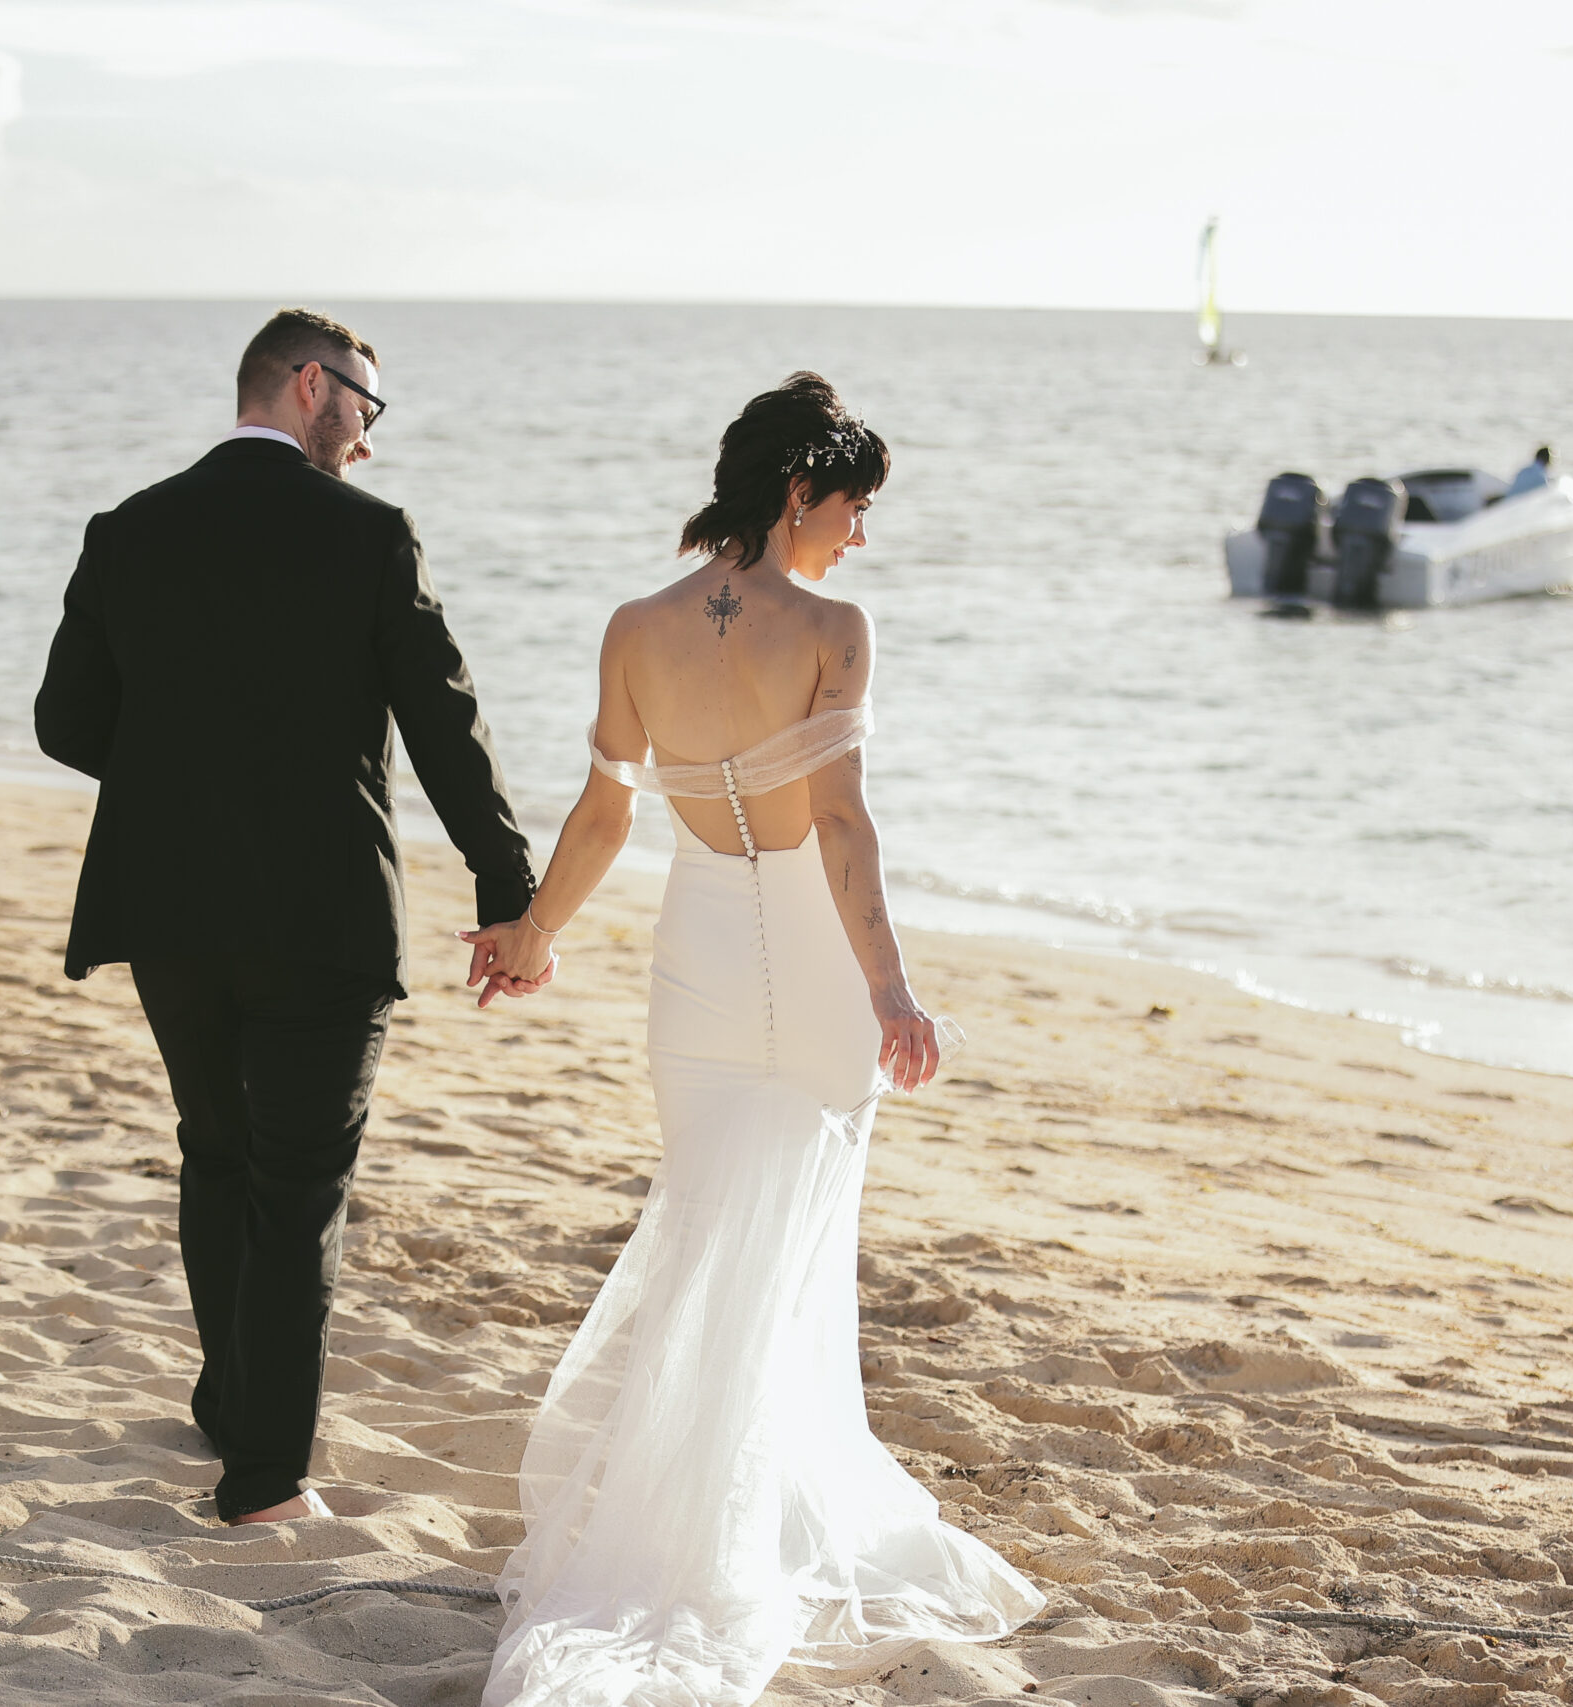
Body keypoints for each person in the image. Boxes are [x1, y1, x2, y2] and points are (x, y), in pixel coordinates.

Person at [462, 374, 1043, 1707]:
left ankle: (692, 1528)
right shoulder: (833, 624)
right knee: (781, 1259)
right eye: (855, 504)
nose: (861, 532)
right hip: (812, 959)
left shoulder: (635, 625)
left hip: (698, 950)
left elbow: (604, 813)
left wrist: (536, 935)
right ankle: (738, 1539)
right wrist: (895, 993)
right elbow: (840, 825)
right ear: (800, 493)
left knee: (721, 1237)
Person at [33, 306, 550, 1528]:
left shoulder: (130, 529)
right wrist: (506, 887)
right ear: (312, 387)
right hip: (320, 911)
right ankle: (264, 1478)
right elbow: (442, 724)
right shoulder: (370, 537)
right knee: (300, 1182)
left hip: (165, 903)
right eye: (366, 409)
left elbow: (65, 723)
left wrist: (181, 782)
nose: (369, 440)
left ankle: (231, 1403)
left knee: (215, 1148)